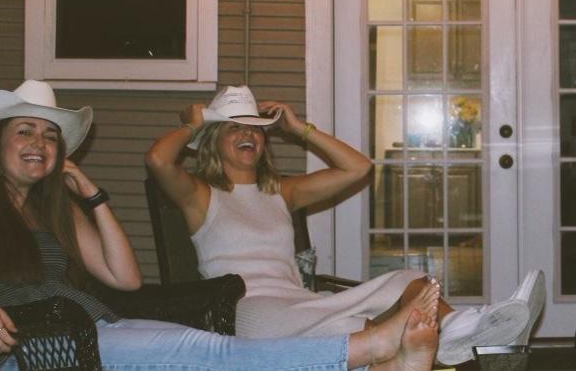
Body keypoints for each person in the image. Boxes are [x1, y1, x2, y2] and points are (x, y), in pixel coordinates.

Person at [0, 79, 442, 371]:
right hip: (29, 345)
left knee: (198, 349)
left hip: (89, 328)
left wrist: (91, 196)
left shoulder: (56, 210)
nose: (40, 144)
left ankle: (403, 350)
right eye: (25, 131)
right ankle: (373, 348)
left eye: (50, 136)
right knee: (205, 350)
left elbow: (124, 280)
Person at [146, 85, 546, 366]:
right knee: (352, 327)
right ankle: (458, 341)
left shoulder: (281, 192)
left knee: (411, 280)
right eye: (234, 126)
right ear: (214, 140)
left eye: (255, 127)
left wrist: (299, 129)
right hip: (247, 310)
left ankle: (458, 326)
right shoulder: (199, 195)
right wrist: (193, 125)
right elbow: (159, 161)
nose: (248, 132)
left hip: (302, 301)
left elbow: (359, 167)